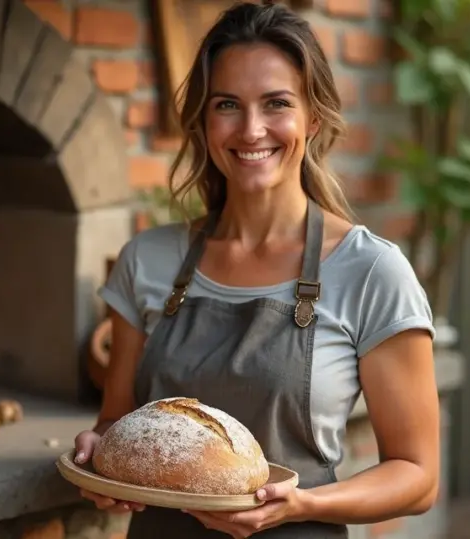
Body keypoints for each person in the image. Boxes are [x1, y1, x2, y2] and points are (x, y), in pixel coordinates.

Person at [71, 2, 440, 538]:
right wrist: (98, 452)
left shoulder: (371, 271)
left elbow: (418, 476)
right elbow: (115, 420)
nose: (251, 129)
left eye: (277, 103)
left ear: (313, 118)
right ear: (203, 121)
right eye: (227, 104)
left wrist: (301, 505)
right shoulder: (146, 261)